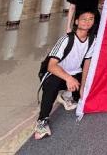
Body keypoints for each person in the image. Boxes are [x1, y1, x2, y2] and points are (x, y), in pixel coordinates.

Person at [35, 9, 96, 140]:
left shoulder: (92, 40)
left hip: (74, 73)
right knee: (52, 84)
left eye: (91, 19)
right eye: (84, 19)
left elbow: (87, 63)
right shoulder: (66, 39)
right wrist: (69, 79)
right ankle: (42, 121)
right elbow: (51, 66)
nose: (87, 21)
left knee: (86, 91)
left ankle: (65, 95)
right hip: (55, 73)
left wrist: (83, 87)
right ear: (76, 21)